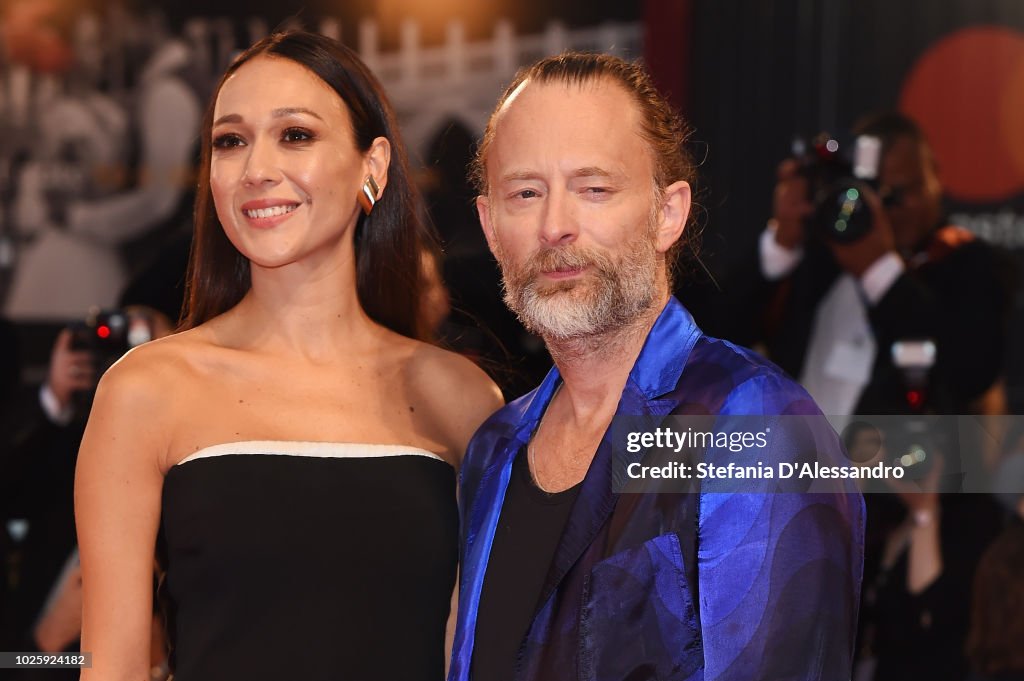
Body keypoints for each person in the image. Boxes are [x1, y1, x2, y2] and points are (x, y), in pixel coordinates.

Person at [75, 31, 501, 681]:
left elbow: (470, 653)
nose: (256, 169)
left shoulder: (459, 397)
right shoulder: (146, 390)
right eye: (230, 140)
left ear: (373, 166)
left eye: (295, 135)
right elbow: (114, 666)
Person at [449, 52, 865, 681]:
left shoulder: (754, 424)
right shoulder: (493, 450)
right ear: (489, 225)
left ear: (667, 213)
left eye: (594, 188)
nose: (555, 225)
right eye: (525, 193)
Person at [755, 112, 1008, 417]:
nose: (905, 206)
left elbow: (971, 376)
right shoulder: (820, 253)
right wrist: (780, 245)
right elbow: (721, 334)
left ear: (936, 176)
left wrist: (880, 273)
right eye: (884, 194)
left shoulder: (965, 260)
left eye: (911, 189)